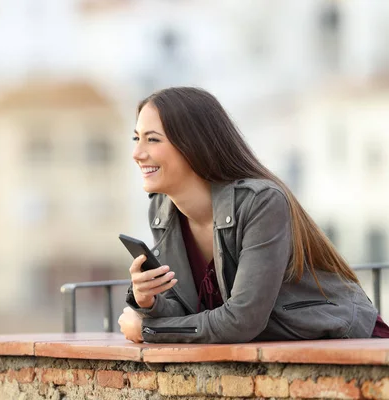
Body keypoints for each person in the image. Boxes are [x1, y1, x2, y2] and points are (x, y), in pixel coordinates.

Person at [117, 86, 388, 343]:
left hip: (349, 345)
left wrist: (149, 328)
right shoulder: (162, 211)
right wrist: (149, 302)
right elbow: (193, 316)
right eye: (136, 138)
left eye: (152, 139)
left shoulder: (261, 202)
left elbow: (242, 320)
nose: (137, 153)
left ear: (193, 144)